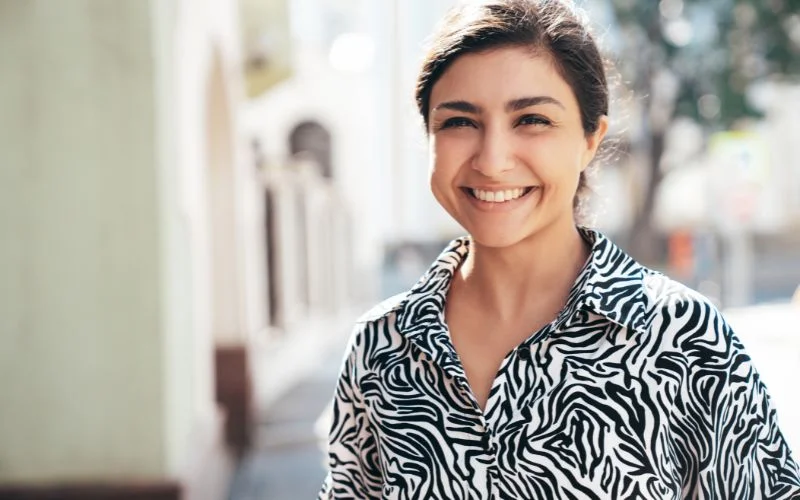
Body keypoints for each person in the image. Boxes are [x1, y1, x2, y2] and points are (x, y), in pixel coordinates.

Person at [318, 0, 800, 498]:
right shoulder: (381, 346)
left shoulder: (683, 341)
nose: (493, 160)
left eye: (532, 120)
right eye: (460, 121)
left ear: (591, 139)